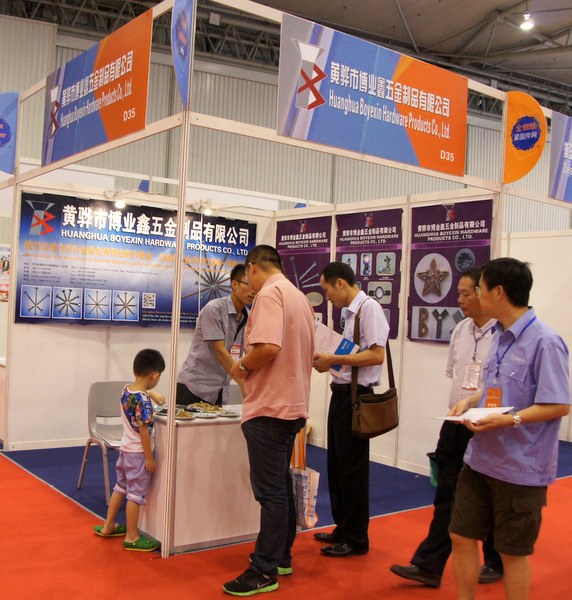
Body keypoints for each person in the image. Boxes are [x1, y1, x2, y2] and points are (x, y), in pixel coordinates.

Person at [448, 258, 570, 600]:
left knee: (512, 553)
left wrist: (511, 419)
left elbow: (559, 404)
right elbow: (497, 387)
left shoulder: (546, 341)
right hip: (480, 459)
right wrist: (471, 401)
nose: (475, 295)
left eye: (480, 289)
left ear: (498, 292)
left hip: (520, 467)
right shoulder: (500, 335)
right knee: (460, 535)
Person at [390, 267, 503, 588]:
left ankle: (496, 560)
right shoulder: (461, 330)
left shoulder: (503, 335)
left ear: (484, 293)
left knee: (489, 494)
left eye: (466, 293)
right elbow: (455, 375)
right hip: (454, 424)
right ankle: (429, 565)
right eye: (459, 293)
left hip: (487, 426)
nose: (460, 299)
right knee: (446, 494)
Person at [223, 245, 315, 596]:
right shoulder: (299, 297)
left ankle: (263, 570)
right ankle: (280, 556)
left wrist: (241, 365)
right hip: (292, 405)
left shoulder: (268, 295)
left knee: (270, 492)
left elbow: (268, 347)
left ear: (252, 269)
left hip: (270, 407)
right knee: (280, 486)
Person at [312, 261, 389, 557]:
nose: (327, 296)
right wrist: (331, 361)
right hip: (341, 395)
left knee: (352, 470)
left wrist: (333, 359)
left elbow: (376, 355)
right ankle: (343, 528)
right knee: (337, 466)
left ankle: (356, 537)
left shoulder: (369, 309)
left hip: (357, 398)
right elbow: (354, 355)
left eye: (327, 289)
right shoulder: (351, 313)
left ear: (340, 283)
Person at [93, 348, 166, 552]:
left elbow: (138, 395)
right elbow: (144, 430)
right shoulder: (144, 403)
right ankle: (132, 536)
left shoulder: (126, 390)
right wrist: (149, 457)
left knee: (120, 487)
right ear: (155, 376)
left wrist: (150, 393)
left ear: (135, 371)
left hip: (125, 450)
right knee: (135, 495)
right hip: (138, 454)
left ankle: (108, 525)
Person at [177, 263, 254, 406]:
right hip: (194, 389)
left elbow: (251, 351)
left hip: (220, 391)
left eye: (255, 285)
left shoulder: (250, 317)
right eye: (248, 284)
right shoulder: (214, 309)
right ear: (235, 284)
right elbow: (220, 351)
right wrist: (243, 383)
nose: (253, 291)